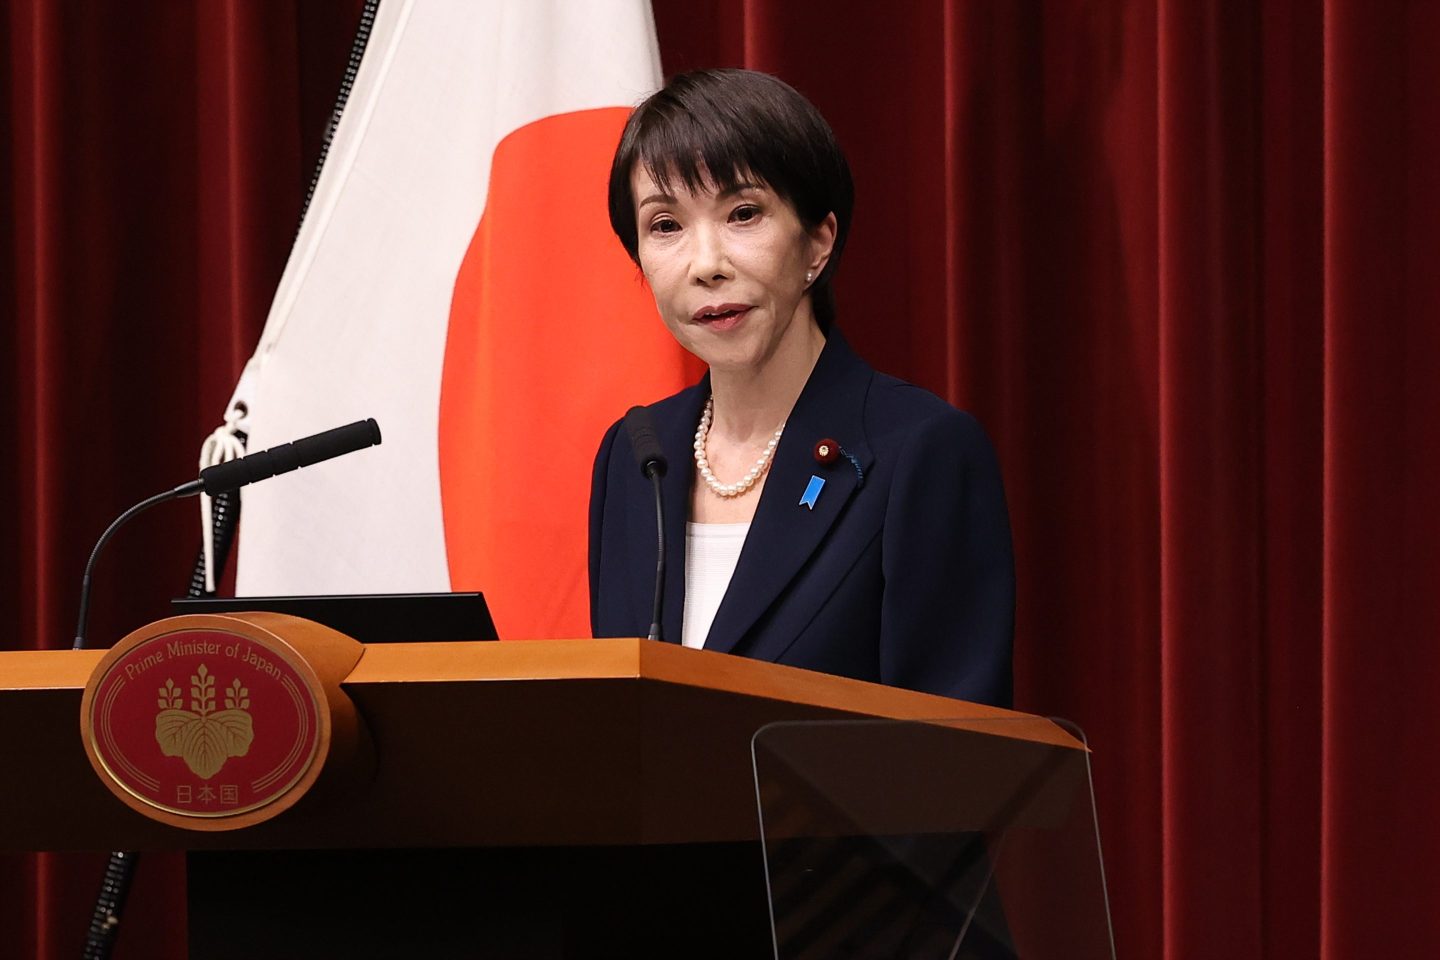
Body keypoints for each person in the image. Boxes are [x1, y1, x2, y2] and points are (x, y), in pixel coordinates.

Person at [589, 68, 1014, 708]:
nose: (706, 265)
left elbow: (955, 750)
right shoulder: (635, 456)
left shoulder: (920, 451)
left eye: (743, 214)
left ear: (818, 241)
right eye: (666, 225)